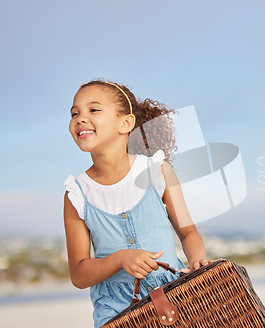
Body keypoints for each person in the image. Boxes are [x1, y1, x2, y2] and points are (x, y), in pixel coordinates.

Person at [63, 80, 208, 328]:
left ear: (126, 123)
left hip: (174, 295)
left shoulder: (157, 171)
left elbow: (188, 231)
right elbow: (79, 273)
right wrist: (120, 259)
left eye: (93, 110)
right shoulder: (77, 193)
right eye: (75, 113)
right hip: (115, 311)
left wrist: (196, 260)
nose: (80, 118)